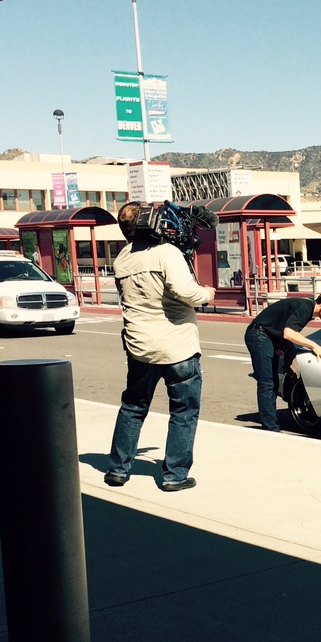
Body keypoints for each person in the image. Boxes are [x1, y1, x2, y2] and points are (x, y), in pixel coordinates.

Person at [105, 201, 215, 492]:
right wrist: (207, 293)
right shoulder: (167, 253)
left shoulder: (122, 259)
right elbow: (185, 292)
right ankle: (174, 475)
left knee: (133, 407)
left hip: (140, 346)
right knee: (183, 412)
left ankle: (118, 468)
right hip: (177, 346)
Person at [244, 291, 321, 431]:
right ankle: (270, 428)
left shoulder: (306, 307)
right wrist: (315, 346)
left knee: (274, 383)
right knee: (266, 382)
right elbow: (289, 333)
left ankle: (271, 424)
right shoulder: (305, 308)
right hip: (259, 334)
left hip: (269, 336)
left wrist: (282, 345)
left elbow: (284, 329)